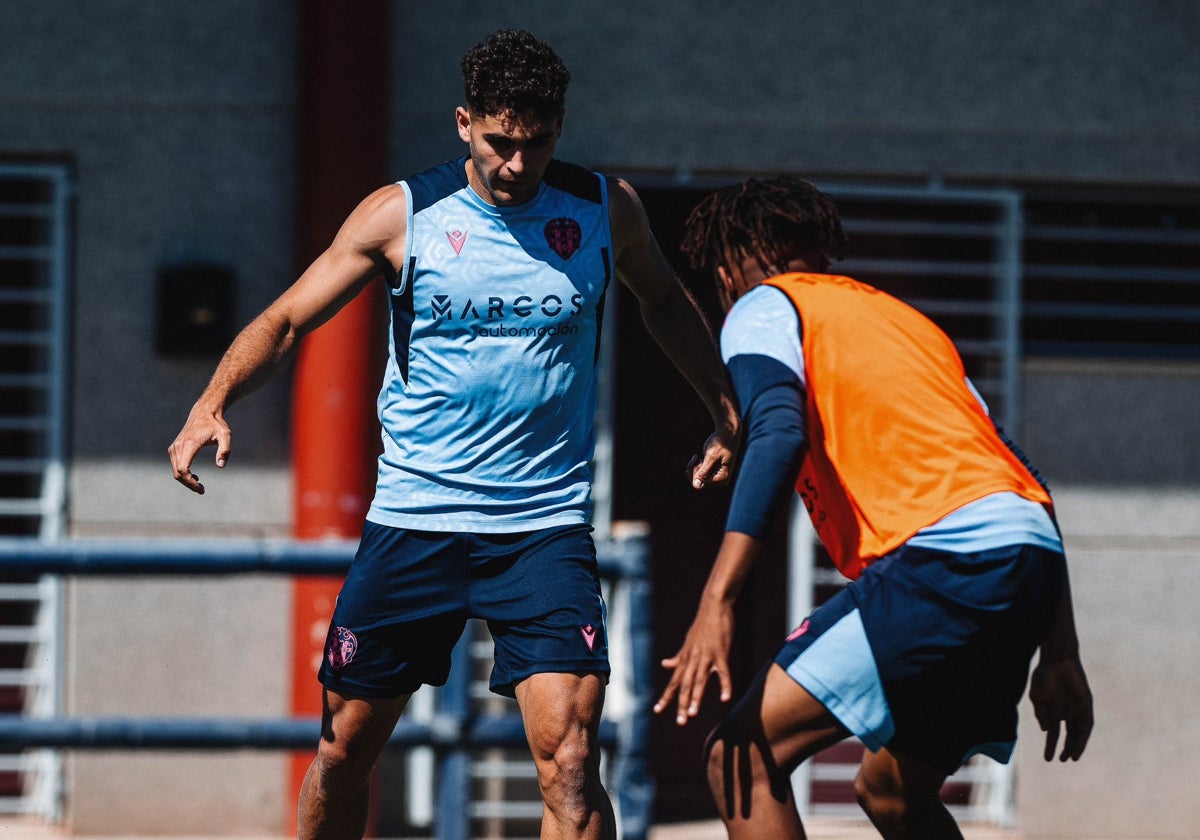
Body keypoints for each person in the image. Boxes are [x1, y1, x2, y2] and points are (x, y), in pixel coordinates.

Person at [168, 29, 739, 840]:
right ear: (465, 123)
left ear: (559, 129)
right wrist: (213, 399)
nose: (516, 164)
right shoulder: (404, 215)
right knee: (343, 753)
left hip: (541, 527)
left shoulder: (602, 208)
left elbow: (660, 300)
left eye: (536, 144)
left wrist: (722, 403)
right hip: (415, 520)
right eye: (501, 142)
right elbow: (290, 318)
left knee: (573, 762)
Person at [653, 175, 1093, 839]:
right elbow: (1022, 477)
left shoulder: (765, 305)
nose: (720, 286)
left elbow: (779, 428)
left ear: (740, 261)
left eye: (719, 273)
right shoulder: (902, 321)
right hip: (1025, 559)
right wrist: (1061, 652)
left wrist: (718, 601)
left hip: (948, 561)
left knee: (739, 755)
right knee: (891, 790)